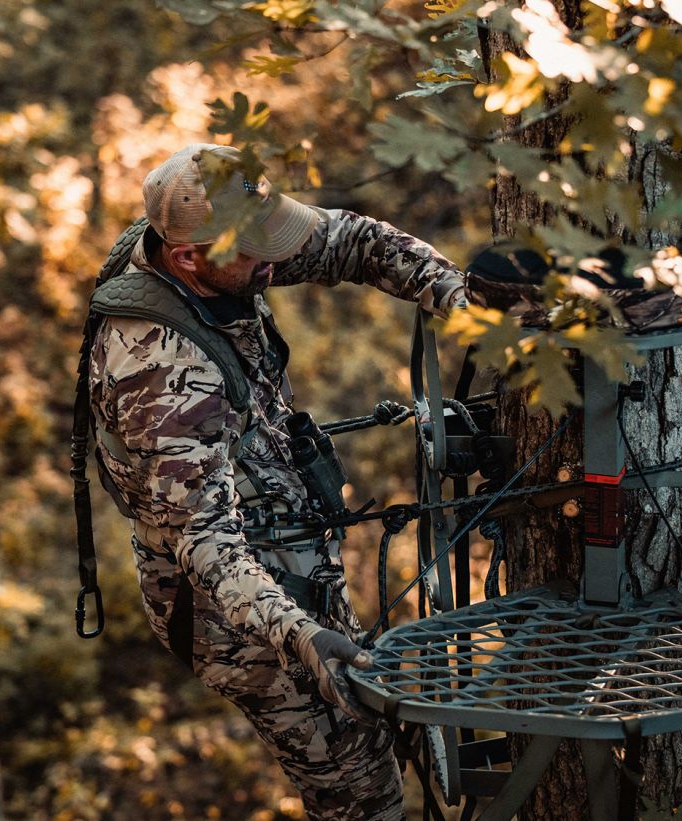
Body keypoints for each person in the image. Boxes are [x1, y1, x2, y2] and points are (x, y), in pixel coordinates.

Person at [83, 143, 469, 820]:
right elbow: (205, 546)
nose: (275, 260)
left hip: (291, 562)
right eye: (256, 251)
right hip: (234, 620)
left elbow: (355, 242)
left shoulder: (222, 251)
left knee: (374, 735)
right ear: (187, 258)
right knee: (360, 793)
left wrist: (465, 301)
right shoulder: (163, 376)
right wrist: (302, 636)